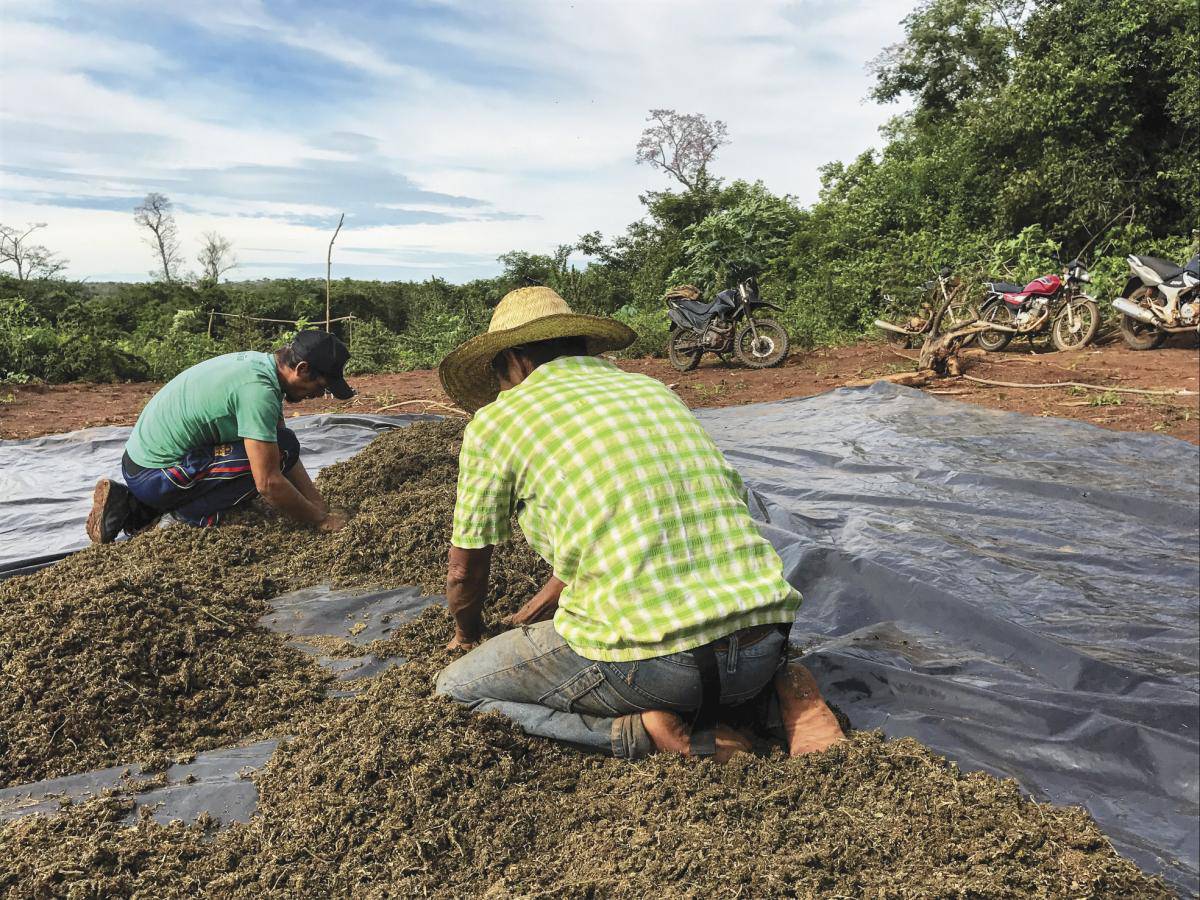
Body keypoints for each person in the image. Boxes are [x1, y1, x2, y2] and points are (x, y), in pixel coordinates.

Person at [434, 286, 845, 761]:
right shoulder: (651, 390)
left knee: (456, 690)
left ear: (515, 359)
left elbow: (464, 572)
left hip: (661, 669)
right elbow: (642, 519)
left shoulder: (496, 423)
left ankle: (644, 732)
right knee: (722, 615)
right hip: (765, 641)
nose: (501, 387)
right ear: (579, 346)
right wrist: (543, 601)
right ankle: (793, 692)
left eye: (498, 374)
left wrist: (466, 633)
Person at [86, 330, 355, 543]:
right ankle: (181, 517)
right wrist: (319, 522)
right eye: (320, 387)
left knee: (282, 446)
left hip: (144, 464)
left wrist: (317, 505)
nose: (319, 396)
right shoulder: (257, 391)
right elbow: (269, 482)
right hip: (157, 475)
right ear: (302, 369)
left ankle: (132, 507)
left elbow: (282, 445)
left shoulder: (259, 365)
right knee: (266, 467)